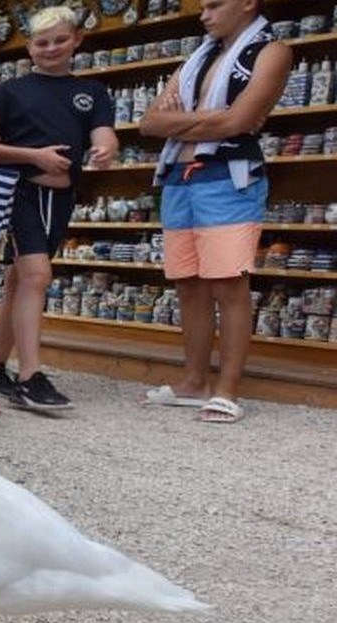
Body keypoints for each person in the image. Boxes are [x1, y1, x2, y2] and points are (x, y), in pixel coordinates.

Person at [139, 0, 290, 423]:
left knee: (228, 284)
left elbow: (237, 122)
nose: (204, 14)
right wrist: (212, 117)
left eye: (214, 4)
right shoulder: (198, 56)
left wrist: (189, 120)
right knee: (187, 283)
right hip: (178, 176)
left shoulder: (271, 50)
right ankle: (194, 381)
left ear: (247, 3)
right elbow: (148, 122)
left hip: (229, 175)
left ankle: (227, 389)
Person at [0, 6, 119, 410]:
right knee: (37, 276)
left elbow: (104, 132)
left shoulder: (92, 91)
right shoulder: (11, 91)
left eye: (60, 40)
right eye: (42, 42)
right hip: (21, 193)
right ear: (29, 48)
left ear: (76, 40)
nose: (51, 48)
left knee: (19, 282)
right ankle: (30, 377)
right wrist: (33, 156)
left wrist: (106, 148)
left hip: (61, 199)